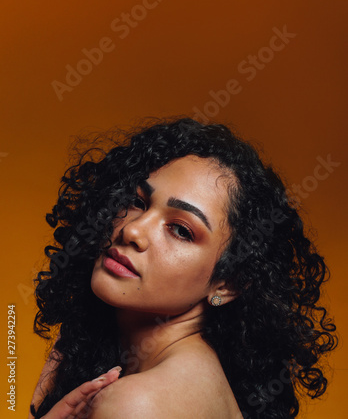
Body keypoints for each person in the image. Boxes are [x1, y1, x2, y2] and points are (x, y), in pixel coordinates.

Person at [30, 117, 337, 418]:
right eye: (138, 202)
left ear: (228, 283)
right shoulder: (192, 376)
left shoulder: (137, 405)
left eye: (181, 230)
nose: (132, 231)